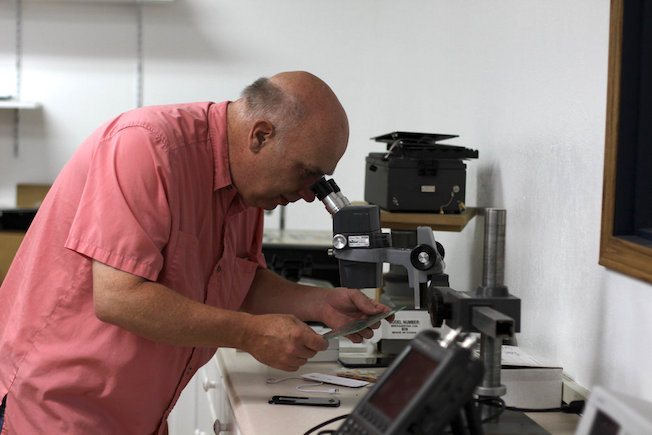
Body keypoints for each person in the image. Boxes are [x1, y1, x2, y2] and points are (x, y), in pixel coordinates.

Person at [0, 71, 392, 434]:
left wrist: (320, 303)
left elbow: (238, 281)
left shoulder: (248, 190)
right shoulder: (146, 146)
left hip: (136, 416)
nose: (310, 194)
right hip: (55, 411)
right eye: (306, 173)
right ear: (260, 136)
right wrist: (250, 333)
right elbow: (120, 298)